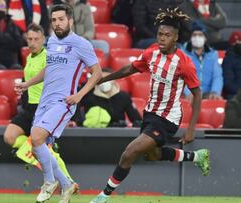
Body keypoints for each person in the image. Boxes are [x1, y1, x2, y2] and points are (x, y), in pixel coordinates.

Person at [89, 8, 210, 203]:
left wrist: (191, 129)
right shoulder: (152, 52)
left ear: (176, 37)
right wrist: (104, 79)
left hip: (168, 118)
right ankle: (196, 157)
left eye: (167, 35)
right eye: (160, 34)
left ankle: (104, 195)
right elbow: (131, 68)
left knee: (130, 152)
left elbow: (197, 94)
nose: (162, 39)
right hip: (150, 114)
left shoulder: (184, 63)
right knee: (152, 155)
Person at [15, 4, 102, 203]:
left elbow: (96, 73)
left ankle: (49, 182)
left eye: (61, 19)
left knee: (36, 138)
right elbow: (49, 68)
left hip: (63, 102)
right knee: (39, 148)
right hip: (44, 101)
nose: (57, 23)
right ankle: (66, 184)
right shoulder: (52, 41)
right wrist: (27, 84)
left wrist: (79, 95)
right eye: (54, 20)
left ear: (70, 21)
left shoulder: (81, 44)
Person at [3, 23, 74, 182]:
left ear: (43, 39)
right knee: (9, 137)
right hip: (28, 108)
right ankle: (31, 149)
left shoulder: (49, 56)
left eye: (36, 39)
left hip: (43, 108)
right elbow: (29, 80)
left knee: (46, 150)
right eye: (29, 39)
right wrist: (23, 90)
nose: (32, 42)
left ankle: (67, 181)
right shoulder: (29, 57)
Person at [182, 21, 223, 101]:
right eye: (194, 35)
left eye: (200, 35)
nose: (197, 37)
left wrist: (215, 92)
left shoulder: (213, 54)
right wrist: (188, 92)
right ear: (190, 38)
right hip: (188, 94)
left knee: (217, 102)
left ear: (205, 38)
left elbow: (217, 76)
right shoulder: (182, 54)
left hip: (207, 94)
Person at [222, 35, 241, 100]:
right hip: (235, 96)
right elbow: (228, 84)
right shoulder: (229, 59)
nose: (238, 43)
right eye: (236, 42)